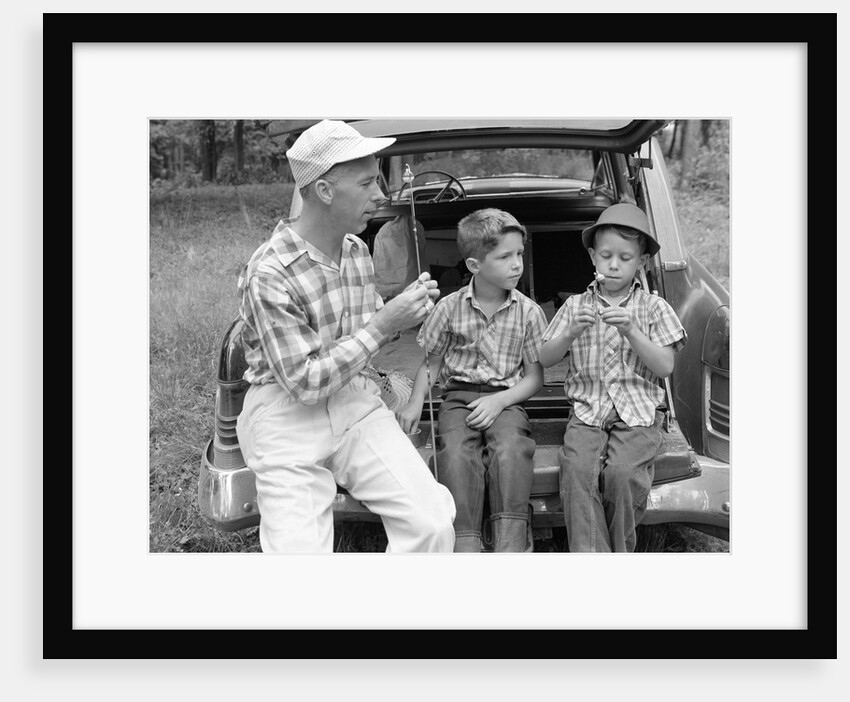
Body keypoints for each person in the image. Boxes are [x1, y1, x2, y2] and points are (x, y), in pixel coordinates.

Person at [235, 119, 456, 553]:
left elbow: (362, 328)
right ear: (324, 191)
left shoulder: (357, 250)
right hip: (285, 414)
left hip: (355, 398)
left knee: (432, 524)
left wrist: (409, 312)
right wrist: (384, 324)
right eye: (369, 182)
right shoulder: (270, 273)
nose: (382, 195)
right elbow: (305, 383)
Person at [538, 203, 687, 553]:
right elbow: (545, 357)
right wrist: (569, 333)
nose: (614, 264)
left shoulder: (653, 307)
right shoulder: (575, 305)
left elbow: (665, 367)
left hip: (638, 413)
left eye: (625, 257)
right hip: (589, 411)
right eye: (606, 255)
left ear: (642, 262)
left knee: (621, 475)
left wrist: (633, 331)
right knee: (576, 472)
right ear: (592, 257)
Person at [396, 208, 547, 553]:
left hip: (507, 399)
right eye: (505, 256)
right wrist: (416, 400)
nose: (517, 264)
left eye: (520, 254)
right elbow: (430, 364)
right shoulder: (447, 308)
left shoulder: (529, 312)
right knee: (455, 455)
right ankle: (464, 543)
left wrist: (500, 401)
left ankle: (510, 543)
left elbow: (535, 376)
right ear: (475, 266)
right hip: (457, 399)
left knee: (511, 450)